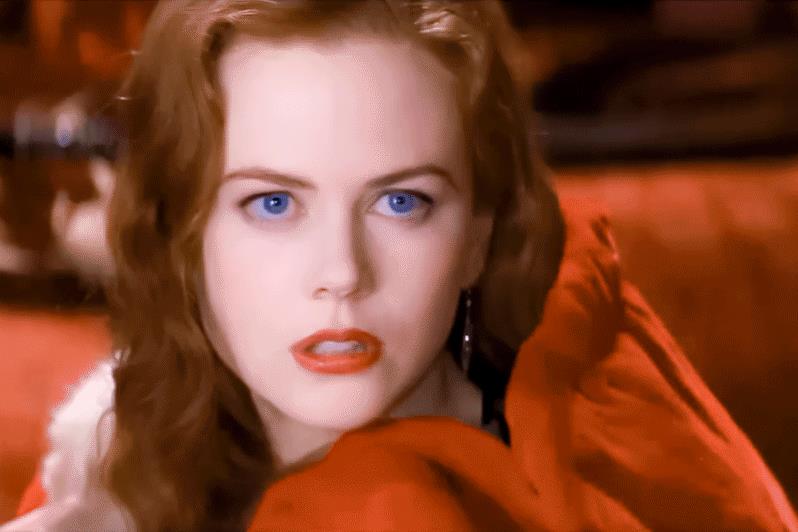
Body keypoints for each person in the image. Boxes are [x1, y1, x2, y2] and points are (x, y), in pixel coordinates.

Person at [5, 1, 797, 530]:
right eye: (274, 204)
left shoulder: (394, 503)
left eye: (400, 202)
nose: (343, 272)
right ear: (182, 231)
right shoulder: (122, 452)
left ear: (481, 232)